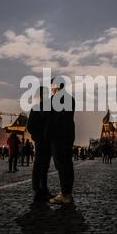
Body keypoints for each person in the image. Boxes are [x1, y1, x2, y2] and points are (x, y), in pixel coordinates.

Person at [48, 77, 76, 205]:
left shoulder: (56, 99)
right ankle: (68, 193)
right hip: (68, 136)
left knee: (61, 165)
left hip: (58, 137)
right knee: (68, 165)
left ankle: (64, 194)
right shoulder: (70, 99)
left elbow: (54, 120)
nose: (51, 89)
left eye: (52, 86)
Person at [27, 86, 53, 202]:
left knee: (44, 166)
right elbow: (30, 126)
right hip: (41, 141)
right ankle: (38, 189)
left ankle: (43, 189)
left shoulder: (50, 108)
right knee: (39, 165)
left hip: (47, 141)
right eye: (44, 94)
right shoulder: (36, 108)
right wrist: (38, 136)